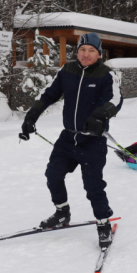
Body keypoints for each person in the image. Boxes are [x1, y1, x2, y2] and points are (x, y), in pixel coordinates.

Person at [19, 32, 123, 248]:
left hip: (92, 141)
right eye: (82, 50)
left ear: (99, 54)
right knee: (53, 174)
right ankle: (62, 213)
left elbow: (116, 99)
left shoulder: (106, 74)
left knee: (93, 185)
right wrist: (31, 117)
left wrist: (100, 115)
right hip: (68, 137)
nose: (86, 54)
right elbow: (49, 95)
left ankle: (103, 223)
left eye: (91, 50)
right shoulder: (67, 70)